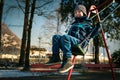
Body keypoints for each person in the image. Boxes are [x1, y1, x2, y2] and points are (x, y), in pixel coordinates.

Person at [46, 4, 93, 73]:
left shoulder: (87, 23)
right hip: (71, 42)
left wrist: (97, 28)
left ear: (84, 13)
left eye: (79, 11)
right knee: (56, 37)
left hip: (79, 43)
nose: (77, 13)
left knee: (65, 37)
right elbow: (68, 36)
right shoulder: (73, 24)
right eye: (75, 12)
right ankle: (56, 57)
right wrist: (63, 41)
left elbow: (92, 34)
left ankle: (68, 61)